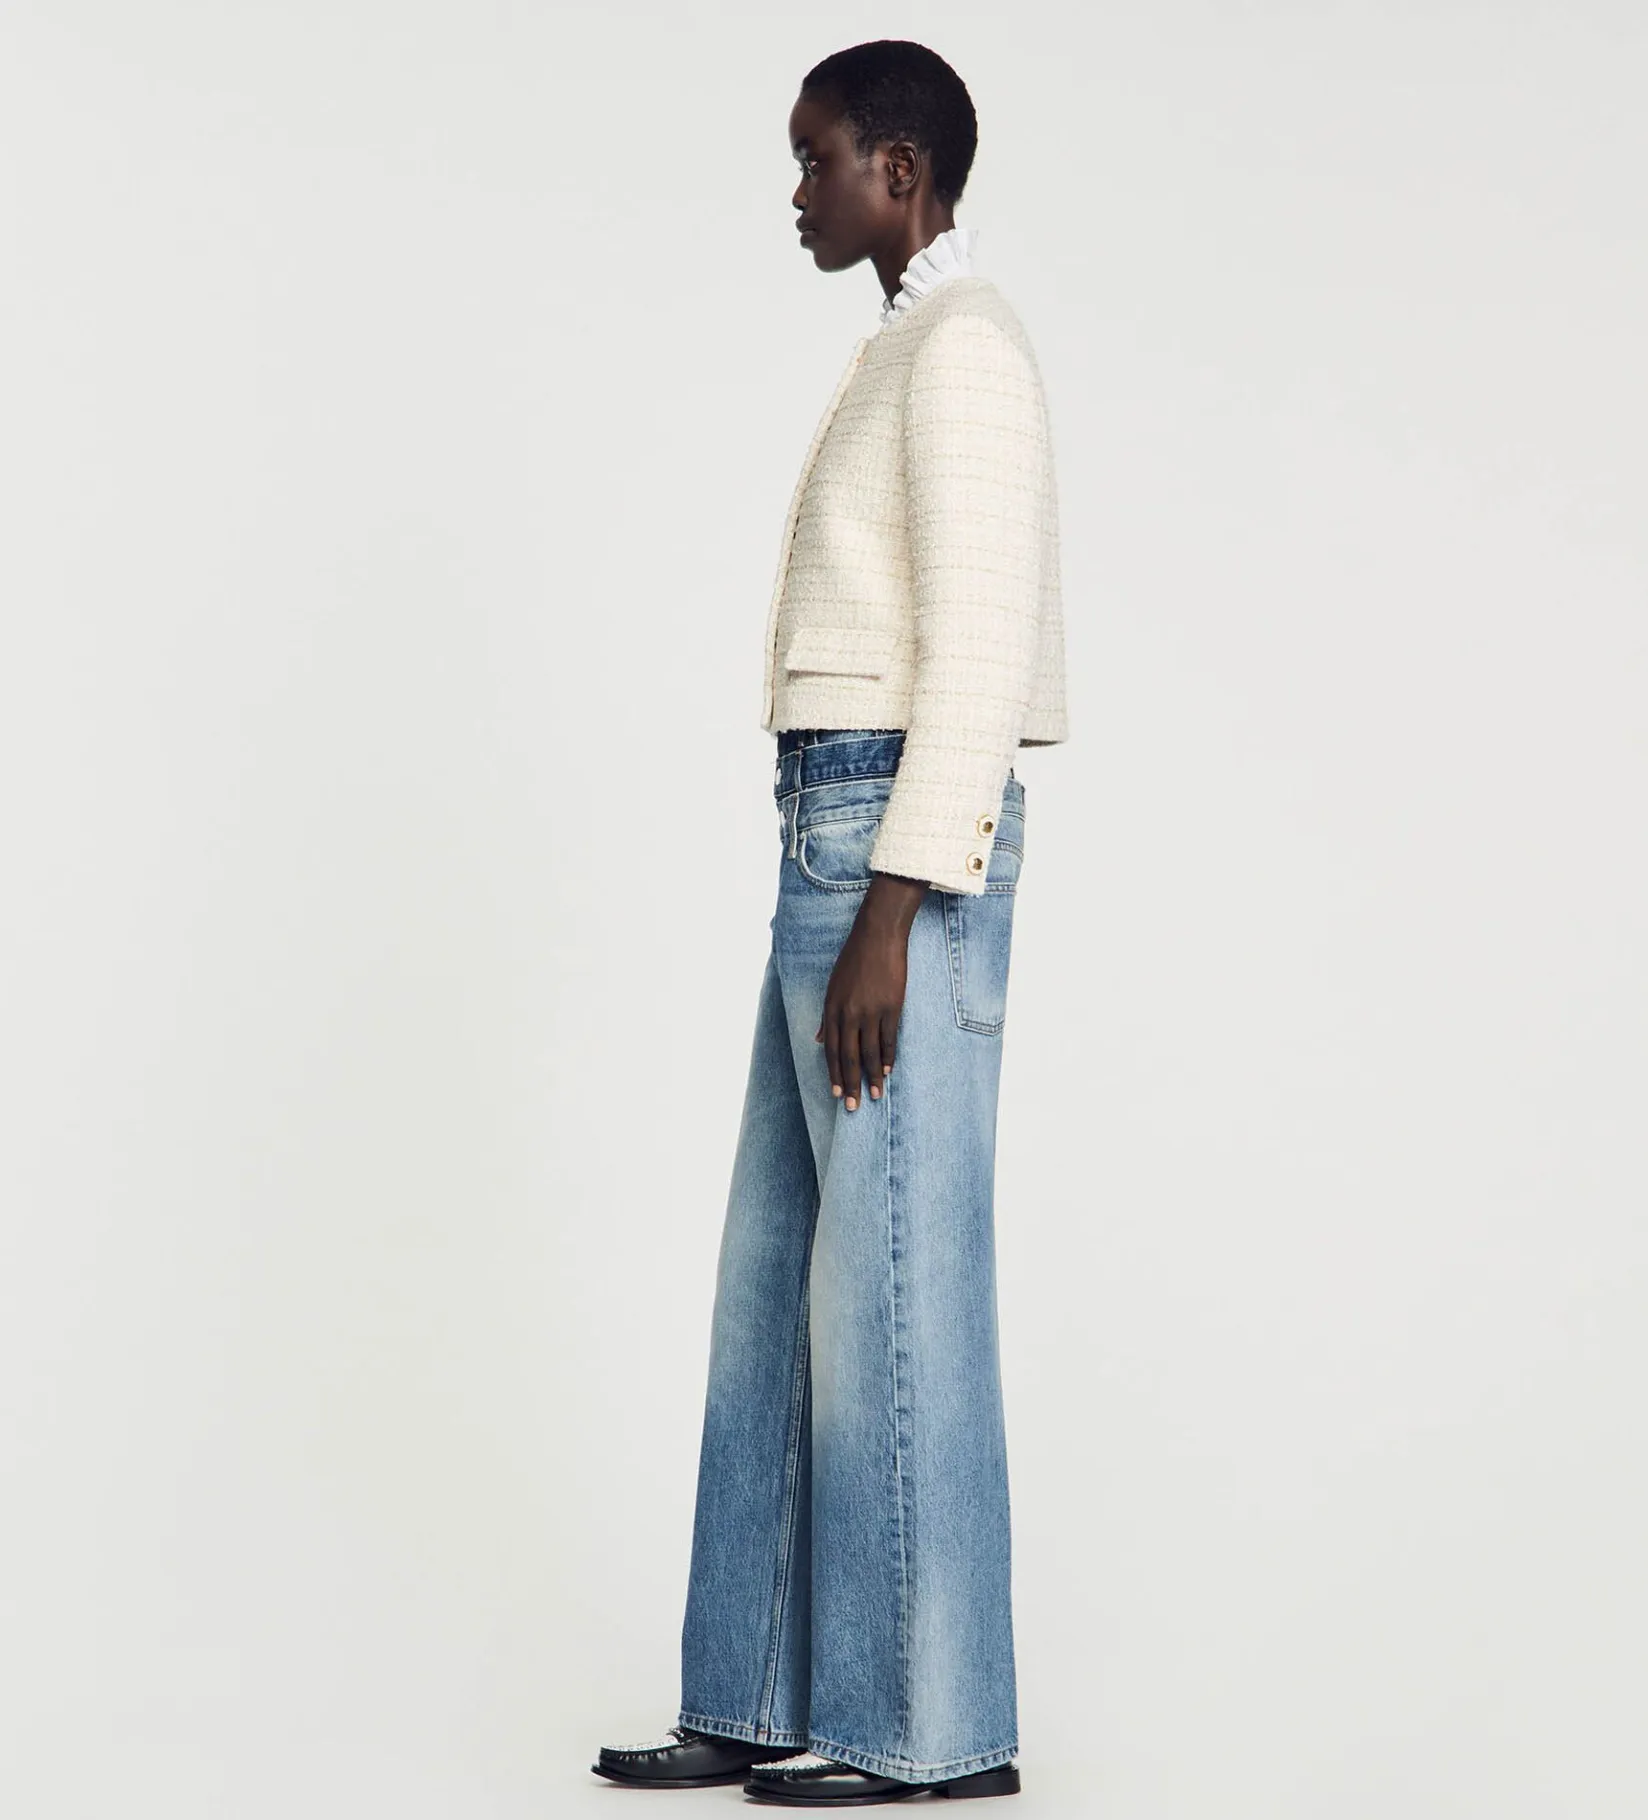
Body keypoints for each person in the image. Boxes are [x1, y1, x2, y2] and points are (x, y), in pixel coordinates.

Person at [591, 38, 1069, 1808]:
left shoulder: (968, 350)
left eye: (815, 160)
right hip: (834, 831)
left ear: (900, 170)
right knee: (773, 1281)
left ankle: (926, 1729)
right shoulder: (904, 342)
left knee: (894, 1289)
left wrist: (895, 906)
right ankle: (754, 1687)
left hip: (889, 853)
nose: (796, 191)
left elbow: (982, 647)